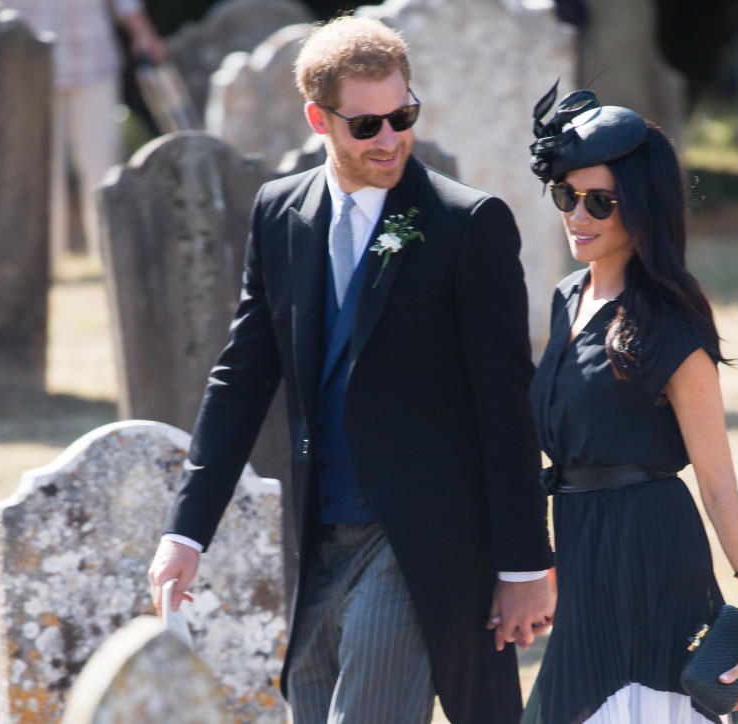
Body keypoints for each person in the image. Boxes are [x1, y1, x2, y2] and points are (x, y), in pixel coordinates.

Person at [147, 16, 554, 724]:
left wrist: (524, 564)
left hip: (419, 544)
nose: (391, 138)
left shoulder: (467, 224)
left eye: (403, 116)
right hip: (317, 543)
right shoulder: (279, 212)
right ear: (319, 119)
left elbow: (505, 402)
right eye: (366, 125)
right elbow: (242, 376)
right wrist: (186, 531)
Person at [520, 83, 738, 724]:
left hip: (654, 558)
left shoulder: (671, 325)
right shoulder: (565, 299)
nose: (578, 215)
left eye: (601, 203)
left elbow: (719, 486)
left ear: (640, 209)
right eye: (567, 196)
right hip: (582, 556)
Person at [2, 0, 165, 256]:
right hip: (28, 62)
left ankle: (111, 255)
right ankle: (41, 260)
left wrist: (143, 33)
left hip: (93, 62)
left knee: (103, 167)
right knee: (39, 171)